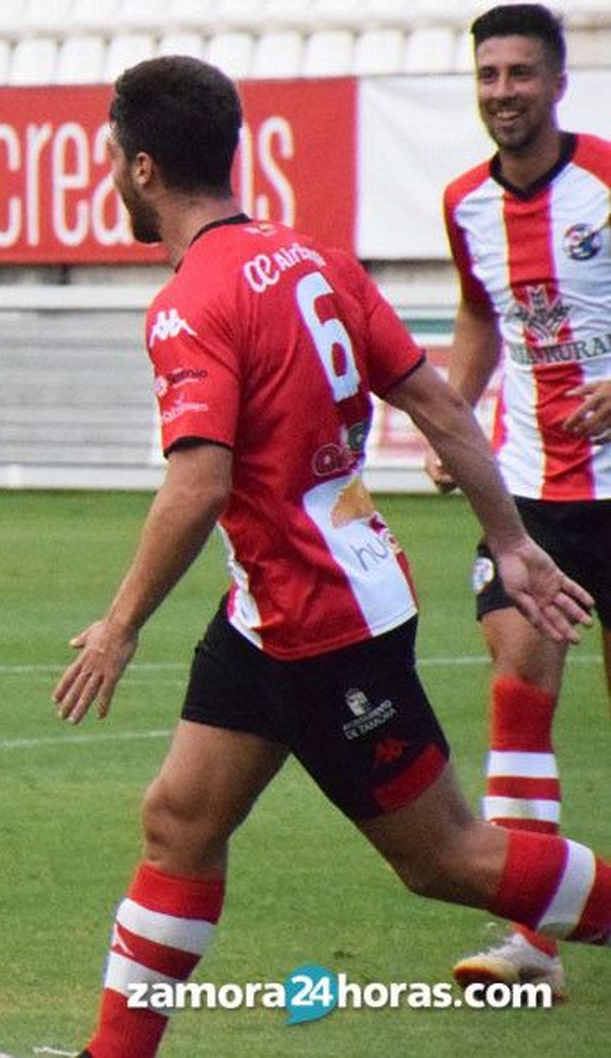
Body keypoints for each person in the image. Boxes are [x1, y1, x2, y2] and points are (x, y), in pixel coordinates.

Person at [0, 56, 609, 1058]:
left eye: (110, 159)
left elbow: (198, 484)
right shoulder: (310, 258)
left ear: (142, 169)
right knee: (179, 816)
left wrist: (118, 624)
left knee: (444, 856)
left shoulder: (190, 304)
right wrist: (508, 539)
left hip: (318, 617)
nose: (109, 177)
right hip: (273, 605)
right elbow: (436, 403)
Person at [432, 3, 611, 995]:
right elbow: (476, 312)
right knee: (517, 683)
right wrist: (451, 413)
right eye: (488, 75)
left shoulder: (607, 180)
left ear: (557, 82)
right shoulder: (465, 204)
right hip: (533, 491)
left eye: (520, 74)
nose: (503, 91)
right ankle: (527, 938)